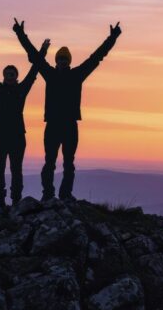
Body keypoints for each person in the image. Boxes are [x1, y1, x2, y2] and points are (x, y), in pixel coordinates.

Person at [13, 18, 122, 201]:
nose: (62, 61)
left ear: (68, 61)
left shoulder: (77, 75)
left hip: (69, 125)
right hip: (54, 125)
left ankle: (65, 195)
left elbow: (97, 57)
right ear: (56, 61)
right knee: (50, 163)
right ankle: (48, 195)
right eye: (60, 58)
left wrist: (112, 38)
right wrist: (20, 34)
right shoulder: (50, 74)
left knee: (69, 164)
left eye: (64, 59)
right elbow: (34, 56)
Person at [0, 35, 49, 211]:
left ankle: (16, 201)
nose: (9, 76)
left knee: (16, 170)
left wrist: (43, 50)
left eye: (12, 74)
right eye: (7, 74)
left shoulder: (22, 89)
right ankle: (1, 201)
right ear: (3, 76)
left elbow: (35, 69)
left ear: (16, 76)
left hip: (17, 136)